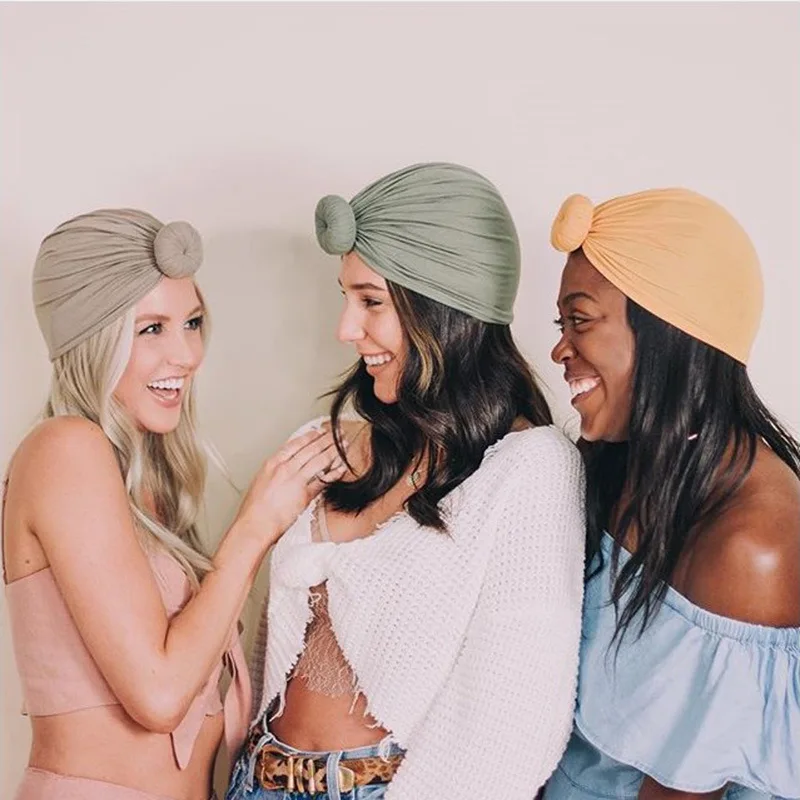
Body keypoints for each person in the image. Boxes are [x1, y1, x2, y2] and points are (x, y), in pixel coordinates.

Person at [227, 162, 587, 800]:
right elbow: (263, 658)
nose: (345, 329)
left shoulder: (531, 470)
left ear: (445, 309)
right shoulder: (327, 446)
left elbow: (511, 731)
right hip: (254, 779)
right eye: (347, 298)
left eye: (371, 301)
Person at [2, 209, 345, 800]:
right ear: (92, 340)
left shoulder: (143, 480)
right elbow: (159, 694)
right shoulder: (65, 449)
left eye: (191, 322)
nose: (186, 354)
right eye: (150, 329)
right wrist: (256, 524)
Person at [544, 189, 800, 799]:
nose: (559, 349)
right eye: (561, 324)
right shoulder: (624, 461)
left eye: (581, 320)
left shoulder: (751, 548)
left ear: (669, 333)